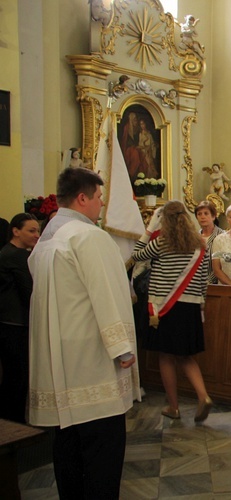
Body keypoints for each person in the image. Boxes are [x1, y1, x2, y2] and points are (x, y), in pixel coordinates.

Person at [28, 167, 138, 499]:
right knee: (102, 451)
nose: (102, 204)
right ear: (82, 198)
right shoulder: (88, 236)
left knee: (68, 445)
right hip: (92, 361)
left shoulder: (47, 239)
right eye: (99, 197)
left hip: (59, 358)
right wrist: (123, 348)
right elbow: (105, 293)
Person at [132, 201, 211, 421]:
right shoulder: (200, 244)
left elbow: (137, 254)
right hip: (191, 306)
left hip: (164, 307)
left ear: (164, 220)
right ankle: (203, 396)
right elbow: (203, 278)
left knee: (166, 356)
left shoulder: (162, 242)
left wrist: (149, 229)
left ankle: (174, 407)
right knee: (185, 356)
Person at [0, 213, 40, 423]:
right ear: (16, 231)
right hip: (15, 325)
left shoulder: (8, 253)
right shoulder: (17, 256)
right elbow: (29, 293)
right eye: (31, 230)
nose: (36, 235)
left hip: (9, 323)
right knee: (17, 377)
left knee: (13, 376)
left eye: (37, 230)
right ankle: (14, 424)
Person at [194, 200, 223, 285]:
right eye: (199, 214)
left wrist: (207, 281)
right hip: (196, 284)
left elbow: (221, 265)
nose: (202, 217)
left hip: (215, 284)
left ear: (213, 216)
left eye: (206, 213)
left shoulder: (222, 236)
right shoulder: (194, 237)